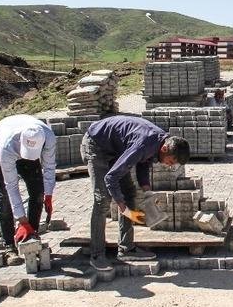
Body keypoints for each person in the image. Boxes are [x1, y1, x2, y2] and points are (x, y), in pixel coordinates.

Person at [81, 115, 190, 271]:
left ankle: (126, 248)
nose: (169, 166)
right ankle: (97, 255)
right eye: (171, 162)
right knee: (103, 199)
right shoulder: (144, 144)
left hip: (114, 148)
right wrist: (122, 207)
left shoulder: (159, 142)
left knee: (129, 192)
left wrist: (147, 192)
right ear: (165, 149)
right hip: (96, 145)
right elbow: (111, 178)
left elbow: (143, 163)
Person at [0, 114, 56, 261]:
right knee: (4, 197)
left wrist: (48, 195)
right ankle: (9, 244)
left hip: (22, 143)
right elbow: (11, 185)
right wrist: (22, 220)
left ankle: (31, 237)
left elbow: (49, 168)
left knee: (38, 193)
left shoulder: (48, 137)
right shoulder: (8, 145)